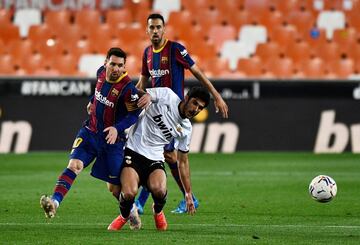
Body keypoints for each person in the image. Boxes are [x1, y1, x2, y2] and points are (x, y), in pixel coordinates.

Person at [133, 13, 229, 215]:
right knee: (159, 153)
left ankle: (152, 200)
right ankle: (179, 198)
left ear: (164, 29)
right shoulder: (147, 53)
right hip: (155, 110)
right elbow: (142, 83)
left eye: (159, 27)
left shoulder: (175, 49)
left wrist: (216, 95)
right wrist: (129, 98)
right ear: (147, 30)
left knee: (166, 154)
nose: (155, 31)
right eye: (152, 27)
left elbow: (198, 72)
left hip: (176, 113)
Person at [40, 47, 145, 218]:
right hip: (90, 132)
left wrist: (116, 128)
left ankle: (131, 211)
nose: (116, 69)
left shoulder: (127, 89)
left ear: (124, 67)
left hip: (112, 141)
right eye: (113, 64)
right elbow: (98, 93)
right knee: (74, 165)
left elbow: (134, 115)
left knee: (114, 188)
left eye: (120, 65)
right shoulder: (100, 73)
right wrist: (92, 102)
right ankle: (54, 202)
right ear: (105, 63)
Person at [107, 86, 210, 231]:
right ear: (186, 98)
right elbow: (142, 93)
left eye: (200, 108)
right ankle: (125, 216)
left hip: (155, 158)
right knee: (129, 193)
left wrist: (188, 193)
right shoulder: (167, 95)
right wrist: (147, 97)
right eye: (195, 103)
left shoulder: (186, 128)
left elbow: (183, 162)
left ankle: (158, 210)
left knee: (160, 191)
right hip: (133, 151)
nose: (196, 109)